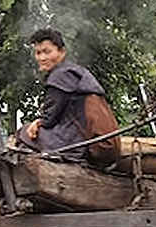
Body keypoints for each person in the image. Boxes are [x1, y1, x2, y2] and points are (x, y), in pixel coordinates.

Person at [16, 27, 119, 164]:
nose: (42, 58)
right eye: (38, 53)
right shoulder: (74, 71)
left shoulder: (61, 75)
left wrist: (38, 122)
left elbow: (49, 119)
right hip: (104, 144)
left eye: (47, 52)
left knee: (23, 133)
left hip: (88, 145)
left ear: (62, 52)